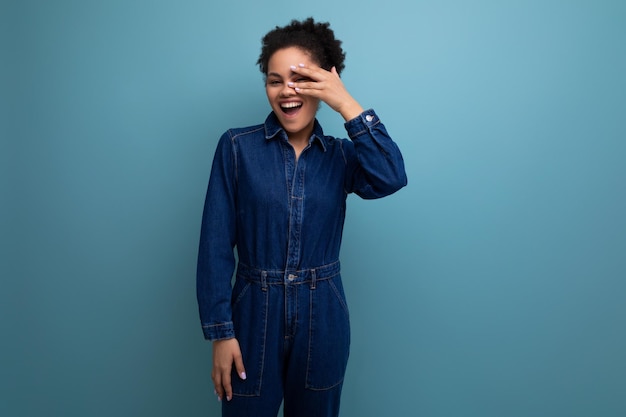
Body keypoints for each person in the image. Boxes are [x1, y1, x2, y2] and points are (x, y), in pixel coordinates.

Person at [197, 17, 407, 417]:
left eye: (300, 78)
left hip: (323, 316)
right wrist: (220, 333)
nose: (286, 91)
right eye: (274, 80)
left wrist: (345, 102)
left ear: (324, 82)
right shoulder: (237, 148)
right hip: (252, 315)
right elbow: (215, 245)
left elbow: (392, 176)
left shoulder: (343, 156)